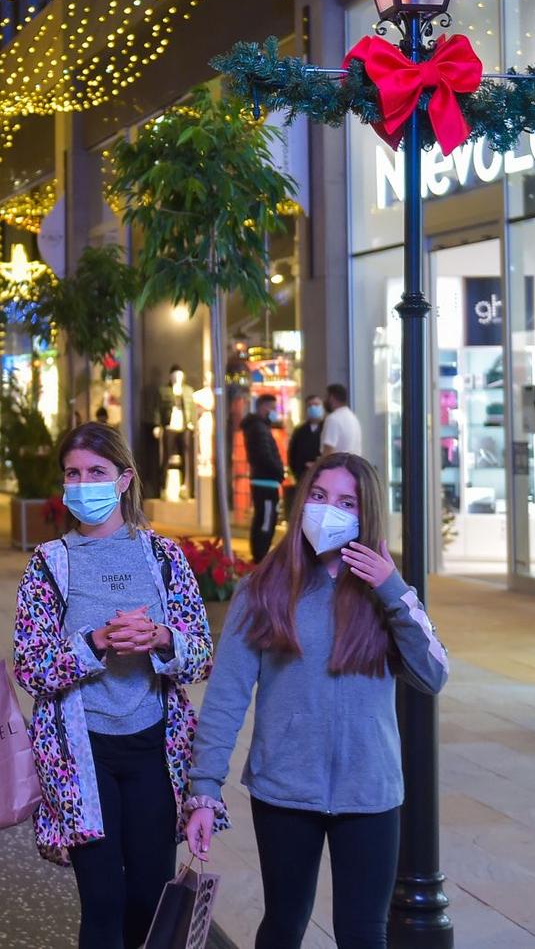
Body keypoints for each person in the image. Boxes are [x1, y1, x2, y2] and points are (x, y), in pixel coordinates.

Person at [184, 453, 449, 949]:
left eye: (346, 502)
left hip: (369, 793)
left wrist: (391, 588)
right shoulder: (262, 589)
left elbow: (433, 674)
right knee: (283, 924)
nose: (329, 510)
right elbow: (226, 697)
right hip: (284, 789)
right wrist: (204, 787)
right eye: (320, 496)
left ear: (365, 514)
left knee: (363, 934)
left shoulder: (387, 593)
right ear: (302, 501)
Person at [13, 422, 215, 949]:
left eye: (96, 473)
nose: (83, 484)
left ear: (124, 480)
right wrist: (95, 643)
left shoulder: (164, 557)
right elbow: (31, 668)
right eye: (73, 474)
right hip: (82, 755)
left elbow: (199, 657)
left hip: (153, 748)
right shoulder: (48, 564)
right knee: (103, 903)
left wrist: (161, 638)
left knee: (149, 900)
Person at [241, 393, 286, 563]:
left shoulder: (258, 427)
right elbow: (264, 455)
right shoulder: (259, 429)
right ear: (262, 407)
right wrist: (279, 472)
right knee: (266, 520)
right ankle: (260, 556)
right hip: (265, 482)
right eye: (272, 408)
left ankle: (258, 554)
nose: (274, 412)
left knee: (262, 518)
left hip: (263, 480)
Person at [287, 394, 324, 487]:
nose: (313, 408)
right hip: (303, 478)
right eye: (310, 406)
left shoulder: (327, 427)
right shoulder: (299, 431)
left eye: (316, 405)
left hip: (323, 477)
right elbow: (292, 454)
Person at [319, 382, 362, 457]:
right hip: (353, 466)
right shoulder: (353, 418)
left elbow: (328, 452)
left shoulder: (333, 419)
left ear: (331, 398)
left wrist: (314, 468)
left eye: (326, 397)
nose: (324, 401)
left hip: (337, 467)